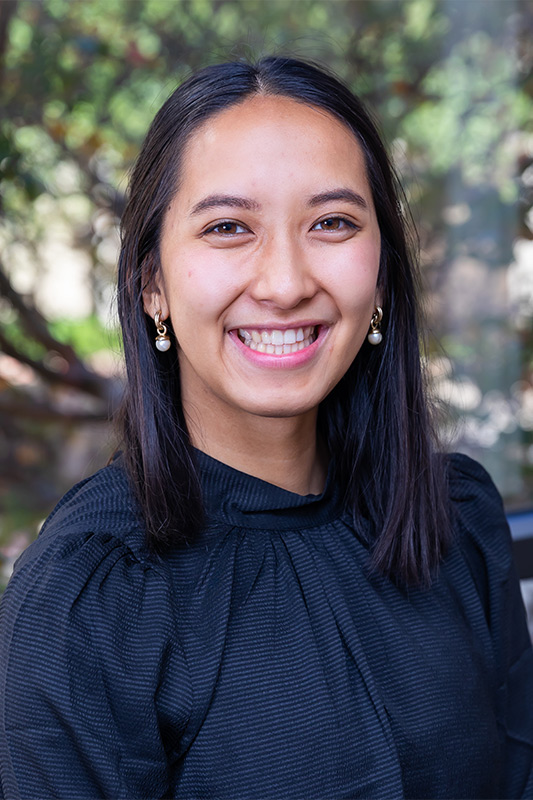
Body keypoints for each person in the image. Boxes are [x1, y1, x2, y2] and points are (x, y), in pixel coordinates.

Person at [0, 56, 532, 800]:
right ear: (151, 281)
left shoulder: (454, 521)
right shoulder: (92, 593)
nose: (284, 283)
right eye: (227, 227)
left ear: (379, 275)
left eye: (332, 223)